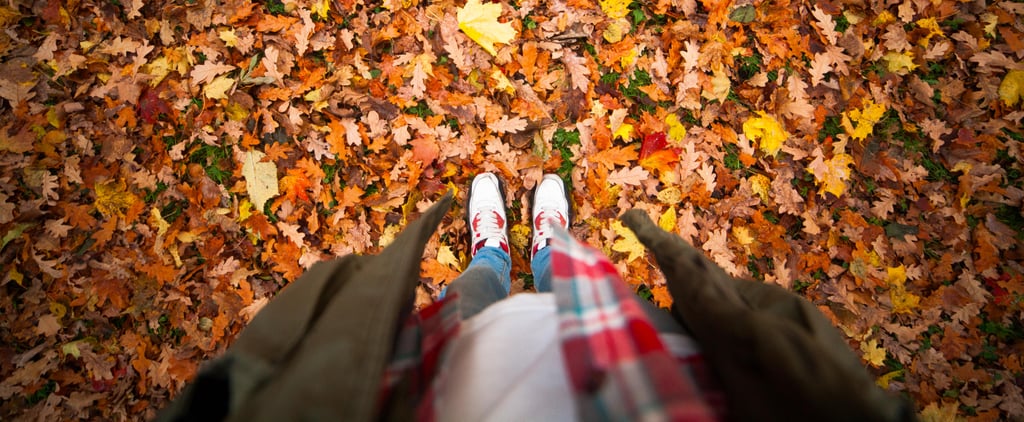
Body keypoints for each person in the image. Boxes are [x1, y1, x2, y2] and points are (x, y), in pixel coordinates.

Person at [158, 173, 916, 422]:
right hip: (655, 369)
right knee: (568, 282)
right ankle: (546, 244)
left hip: (435, 385)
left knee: (474, 297)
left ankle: (495, 250)